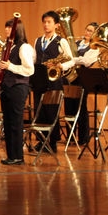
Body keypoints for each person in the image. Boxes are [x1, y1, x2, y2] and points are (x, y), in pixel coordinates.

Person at [31, 10, 76, 153]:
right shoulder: (38, 40)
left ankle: (53, 142)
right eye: (44, 22)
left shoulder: (61, 41)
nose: (46, 25)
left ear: (56, 25)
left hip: (54, 81)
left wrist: (60, 66)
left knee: (52, 111)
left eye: (49, 22)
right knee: (39, 111)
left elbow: (71, 60)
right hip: (40, 80)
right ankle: (41, 141)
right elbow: (35, 59)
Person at [0, 18, 34, 165]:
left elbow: (29, 69)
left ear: (17, 30)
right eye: (6, 27)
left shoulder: (24, 47)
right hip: (6, 87)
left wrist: (10, 66)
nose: (7, 30)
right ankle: (11, 156)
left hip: (18, 88)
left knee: (15, 123)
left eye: (10, 27)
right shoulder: (8, 46)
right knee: (7, 122)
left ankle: (18, 156)